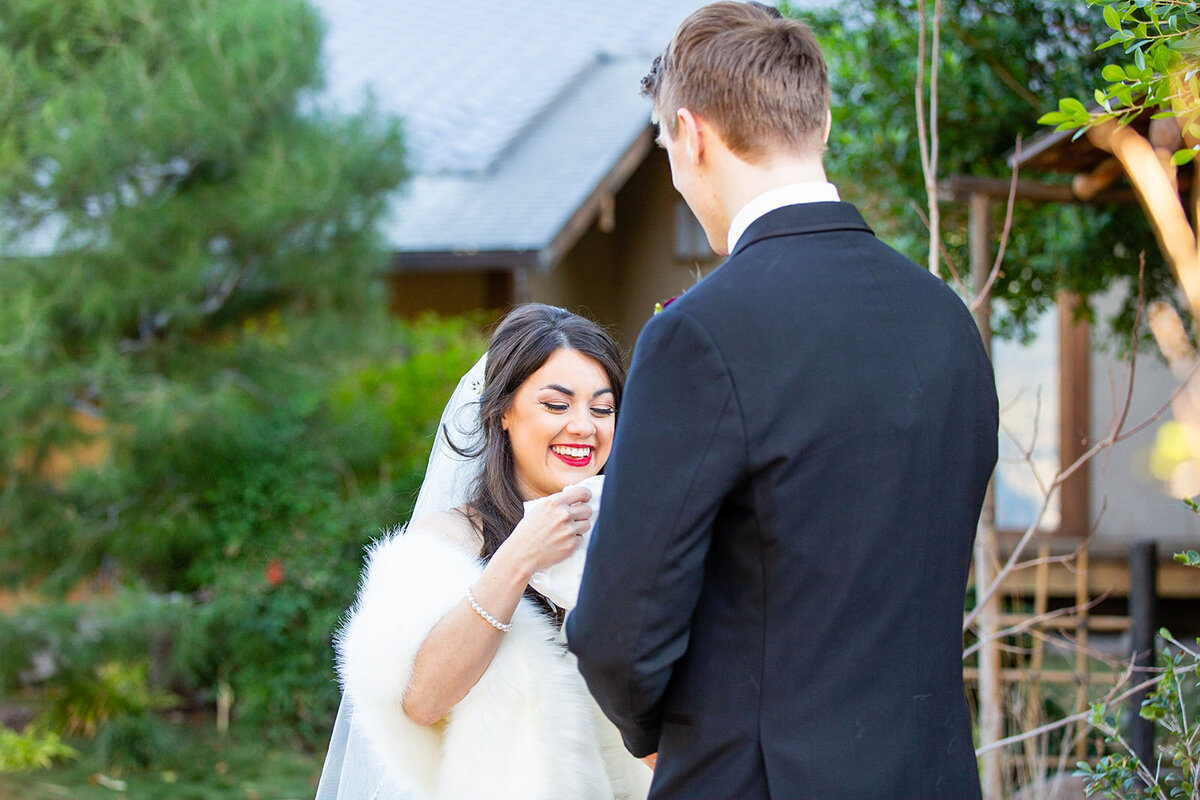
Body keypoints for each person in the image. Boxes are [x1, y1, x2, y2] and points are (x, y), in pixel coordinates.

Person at [565, 3, 999, 799]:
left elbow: (617, 636)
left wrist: (657, 734)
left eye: (666, 147)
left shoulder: (700, 334)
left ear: (691, 136)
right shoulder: (946, 320)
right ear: (822, 124)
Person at [315, 304, 652, 800]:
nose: (584, 427)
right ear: (502, 412)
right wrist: (518, 558)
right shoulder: (444, 546)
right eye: (557, 405)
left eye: (602, 409)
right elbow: (420, 702)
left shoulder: (638, 538)